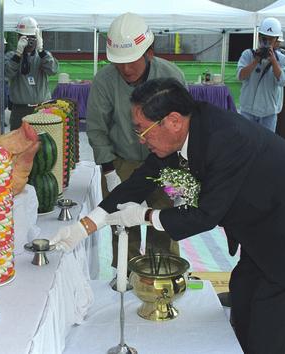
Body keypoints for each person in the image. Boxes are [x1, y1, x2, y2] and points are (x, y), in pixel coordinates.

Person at [52, 77, 285, 354]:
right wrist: (86, 225)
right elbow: (142, 179)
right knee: (243, 295)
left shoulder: (226, 139)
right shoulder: (188, 128)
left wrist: (145, 216)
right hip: (263, 222)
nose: (140, 140)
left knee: (269, 329)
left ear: (174, 122)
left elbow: (205, 215)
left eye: (141, 129)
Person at [86, 12, 186, 269]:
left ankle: (162, 275)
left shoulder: (171, 76)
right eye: (119, 63)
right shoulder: (104, 81)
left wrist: (183, 174)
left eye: (131, 61)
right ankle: (126, 277)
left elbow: (183, 127)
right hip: (121, 162)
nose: (126, 69)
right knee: (122, 225)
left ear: (149, 53)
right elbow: (97, 129)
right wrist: (109, 170)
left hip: (166, 162)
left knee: (163, 221)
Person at [237, 17, 285, 132]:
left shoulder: (282, 59)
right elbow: (241, 76)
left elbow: (282, 81)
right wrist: (255, 60)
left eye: (270, 40)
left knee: (266, 146)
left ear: (277, 40)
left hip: (269, 114)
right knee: (246, 144)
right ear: (258, 37)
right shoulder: (248, 55)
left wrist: (273, 61)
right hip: (248, 111)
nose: (266, 43)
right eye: (263, 39)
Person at [4, 16, 59, 130]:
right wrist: (18, 54)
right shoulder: (11, 56)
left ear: (38, 37)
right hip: (20, 110)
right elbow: (7, 73)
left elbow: (53, 70)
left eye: (32, 38)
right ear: (19, 37)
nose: (30, 41)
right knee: (18, 145)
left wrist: (41, 51)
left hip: (41, 109)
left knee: (42, 145)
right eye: (26, 37)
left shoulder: (43, 56)